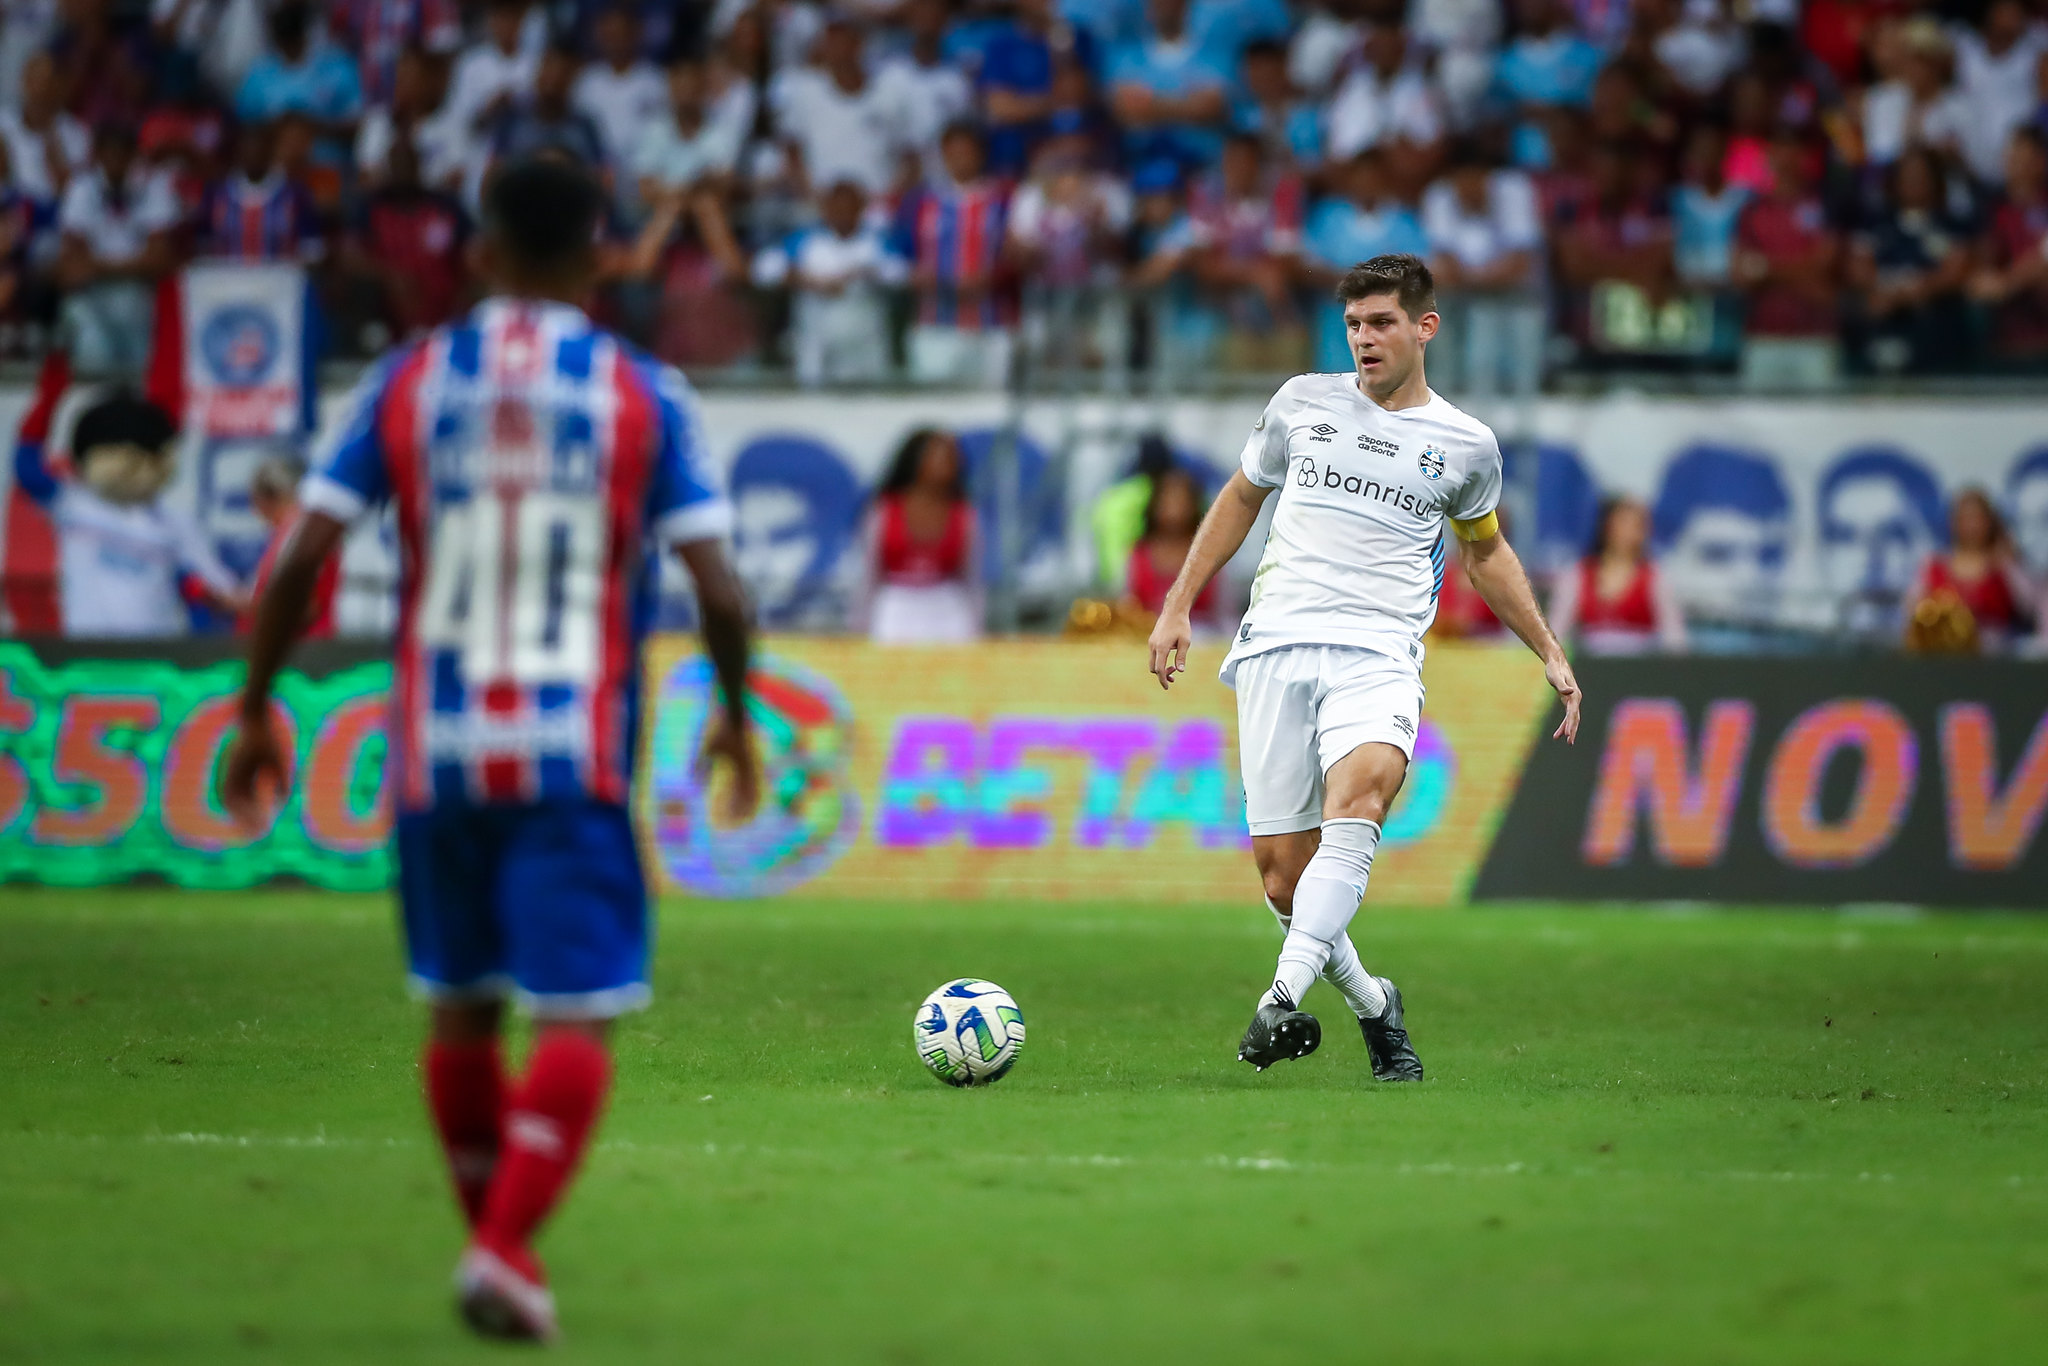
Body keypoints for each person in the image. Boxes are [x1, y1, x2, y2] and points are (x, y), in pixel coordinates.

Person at [220, 157, 760, 1343]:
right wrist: (733, 704)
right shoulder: (641, 391)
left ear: (479, 252)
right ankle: (502, 1244)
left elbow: (304, 552)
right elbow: (715, 583)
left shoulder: (409, 379)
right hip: (573, 755)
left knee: (459, 1009)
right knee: (574, 1013)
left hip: (433, 755)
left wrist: (256, 701)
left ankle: (498, 1255)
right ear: (605, 253)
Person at [1145, 253, 1581, 1079]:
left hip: (1378, 654)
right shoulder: (1301, 403)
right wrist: (1177, 604)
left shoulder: (1465, 445)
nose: (1364, 340)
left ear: (1425, 328)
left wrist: (1550, 650)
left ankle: (1279, 1000)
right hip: (1276, 643)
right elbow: (1242, 497)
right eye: (1353, 325)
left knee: (1362, 797)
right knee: (1283, 880)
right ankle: (1378, 1007)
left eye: (1381, 323)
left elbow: (1486, 556)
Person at [10, 351, 245, 635]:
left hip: (156, 661)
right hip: (87, 659)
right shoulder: (73, 504)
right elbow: (26, 467)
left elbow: (216, 593)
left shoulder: (176, 523)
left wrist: (201, 598)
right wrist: (49, 399)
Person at [862, 427, 981, 643]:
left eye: (952, 457)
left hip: (947, 607)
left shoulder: (964, 515)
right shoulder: (884, 511)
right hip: (897, 604)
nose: (948, 464)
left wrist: (977, 627)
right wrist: (859, 627)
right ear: (916, 461)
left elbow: (972, 578)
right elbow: (868, 574)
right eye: (938, 456)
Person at [1548, 496, 1688, 654]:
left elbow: (1675, 638)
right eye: (1623, 523)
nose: (1628, 532)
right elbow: (1557, 631)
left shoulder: (1656, 577)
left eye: (1637, 525)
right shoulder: (1578, 574)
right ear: (1607, 526)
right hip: (1590, 666)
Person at [1905, 487, 2038, 651]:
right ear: (1954, 522)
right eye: (1965, 519)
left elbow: (2033, 607)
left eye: (1977, 519)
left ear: (1989, 522)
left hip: (1993, 659)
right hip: (1942, 657)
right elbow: (1911, 610)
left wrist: (2010, 562)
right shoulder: (1933, 564)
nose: (1972, 526)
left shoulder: (2003, 566)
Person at [241, 454, 338, 637]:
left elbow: (307, 608)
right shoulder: (287, 534)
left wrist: (235, 604)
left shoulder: (302, 533)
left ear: (263, 499)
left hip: (300, 651)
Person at [1120, 465, 1222, 629]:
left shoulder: (1210, 553)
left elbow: (1223, 610)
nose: (1174, 509)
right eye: (1167, 501)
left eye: (1181, 501)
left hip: (1202, 639)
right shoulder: (1139, 553)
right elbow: (1127, 604)